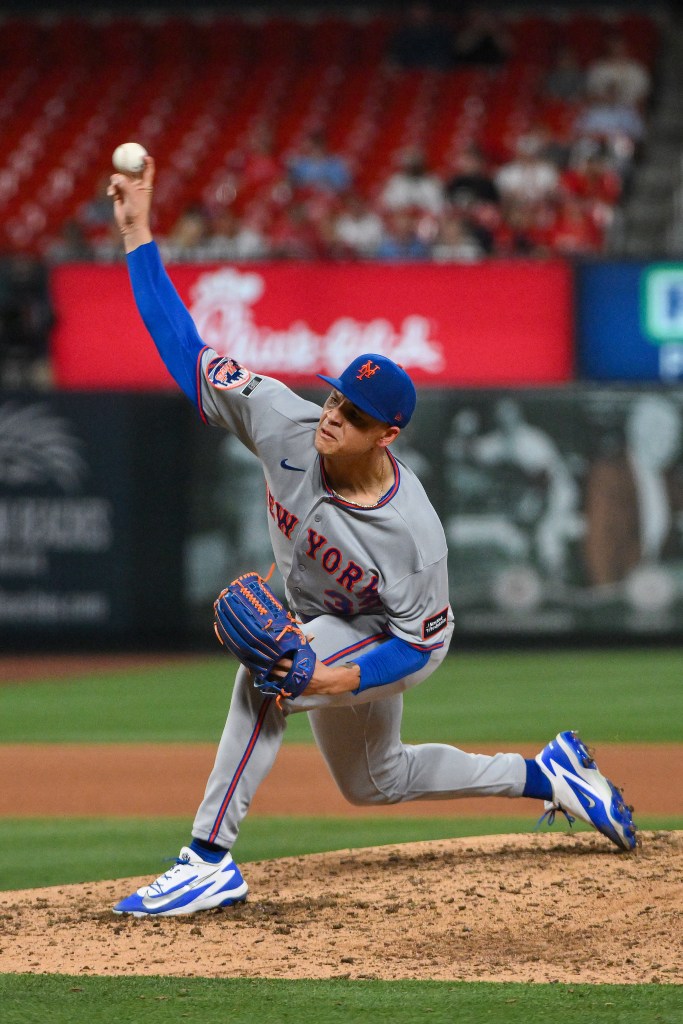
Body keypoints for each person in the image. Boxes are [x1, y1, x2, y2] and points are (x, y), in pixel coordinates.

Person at [108, 156, 637, 917]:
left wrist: (328, 679)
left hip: (397, 636)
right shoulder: (279, 417)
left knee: (272, 668)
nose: (331, 415)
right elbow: (182, 349)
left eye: (352, 414)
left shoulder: (410, 533)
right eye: (333, 398)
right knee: (373, 781)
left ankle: (207, 860)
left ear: (385, 434)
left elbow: (415, 646)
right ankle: (550, 776)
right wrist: (138, 234)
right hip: (325, 617)